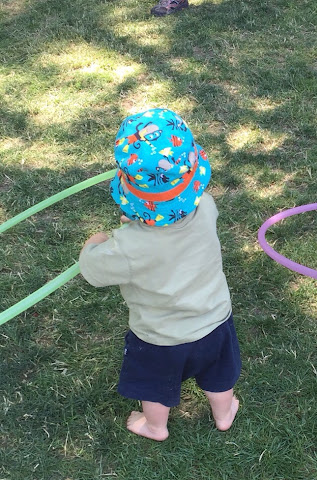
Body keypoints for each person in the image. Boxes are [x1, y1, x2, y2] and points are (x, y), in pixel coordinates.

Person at [79, 108, 241, 441]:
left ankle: (155, 426)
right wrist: (148, 217)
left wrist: (95, 241)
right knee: (219, 376)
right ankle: (224, 414)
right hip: (215, 322)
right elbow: (172, 228)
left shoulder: (126, 247)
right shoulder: (206, 207)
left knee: (154, 385)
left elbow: (92, 270)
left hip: (160, 338)